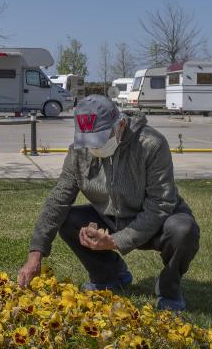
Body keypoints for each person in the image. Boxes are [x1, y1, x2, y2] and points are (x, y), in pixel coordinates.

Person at [17, 95, 200, 311]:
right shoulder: (78, 152)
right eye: (88, 140)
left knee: (184, 230)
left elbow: (161, 203)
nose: (93, 147)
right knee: (66, 218)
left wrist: (115, 241)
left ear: (120, 125)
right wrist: (35, 254)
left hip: (157, 222)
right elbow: (59, 199)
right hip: (112, 218)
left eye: (100, 139)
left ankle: (170, 291)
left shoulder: (151, 144)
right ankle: (110, 276)